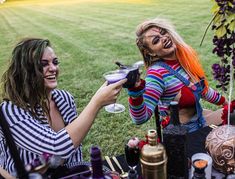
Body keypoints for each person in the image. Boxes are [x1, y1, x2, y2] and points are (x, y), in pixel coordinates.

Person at [0, 38, 127, 177]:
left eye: (55, 62)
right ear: (25, 70)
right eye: (43, 64)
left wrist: (83, 173)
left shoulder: (64, 99)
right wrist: (96, 102)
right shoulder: (11, 111)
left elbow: (74, 151)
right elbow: (56, 148)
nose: (53, 68)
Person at [127, 17, 227, 132]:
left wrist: (225, 103)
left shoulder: (184, 61)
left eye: (163, 33)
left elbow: (203, 90)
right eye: (156, 40)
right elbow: (140, 118)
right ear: (150, 52)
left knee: (232, 113)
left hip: (200, 119)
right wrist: (135, 93)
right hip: (182, 134)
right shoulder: (157, 74)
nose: (164, 38)